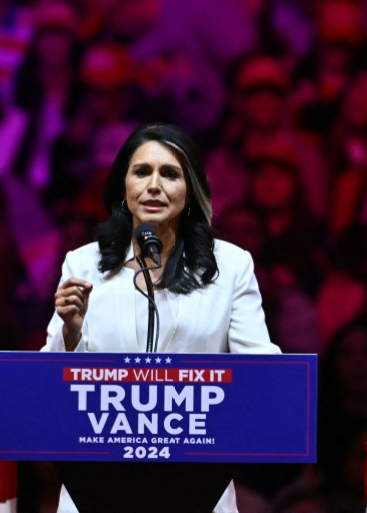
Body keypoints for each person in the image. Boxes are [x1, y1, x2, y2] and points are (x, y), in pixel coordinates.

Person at [42, 122, 281, 512]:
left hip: (198, 485)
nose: (154, 185)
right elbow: (48, 385)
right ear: (124, 187)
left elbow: (261, 371)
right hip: (97, 486)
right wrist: (70, 332)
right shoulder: (84, 263)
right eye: (142, 172)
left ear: (190, 192)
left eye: (170, 173)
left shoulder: (231, 266)